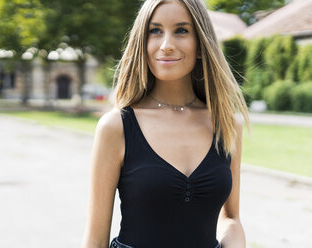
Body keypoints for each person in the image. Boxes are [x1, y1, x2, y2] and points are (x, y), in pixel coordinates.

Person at [82, 0, 250, 247]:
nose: (166, 45)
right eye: (155, 31)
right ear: (143, 42)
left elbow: (231, 217)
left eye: (181, 30)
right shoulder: (116, 128)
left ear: (201, 45)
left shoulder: (227, 125)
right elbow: (95, 241)